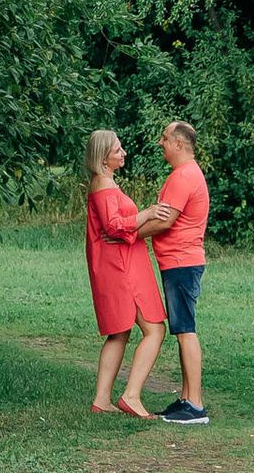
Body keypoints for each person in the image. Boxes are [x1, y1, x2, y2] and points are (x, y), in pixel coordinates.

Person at [82, 127, 165, 417]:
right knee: (154, 329)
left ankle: (102, 400)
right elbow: (114, 226)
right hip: (120, 265)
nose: (124, 153)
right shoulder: (103, 184)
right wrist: (148, 213)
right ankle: (131, 397)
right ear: (103, 156)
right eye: (118, 150)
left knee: (119, 332)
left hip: (118, 260)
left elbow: (114, 225)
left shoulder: (105, 182)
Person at [142, 117, 210, 425]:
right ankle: (185, 399)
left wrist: (129, 233)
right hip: (178, 261)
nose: (161, 142)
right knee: (182, 330)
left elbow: (165, 221)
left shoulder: (184, 176)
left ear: (179, 144)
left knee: (185, 331)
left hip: (182, 262)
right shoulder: (184, 174)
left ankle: (195, 406)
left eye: (165, 138)